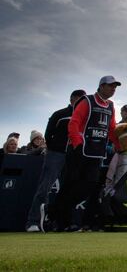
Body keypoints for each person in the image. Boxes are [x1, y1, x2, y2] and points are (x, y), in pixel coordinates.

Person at [54, 76, 121, 231]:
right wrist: (77, 143)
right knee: (70, 184)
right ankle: (62, 221)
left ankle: (56, 211)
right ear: (101, 86)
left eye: (115, 87)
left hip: (96, 154)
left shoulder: (110, 106)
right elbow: (74, 122)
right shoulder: (87, 101)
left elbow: (111, 129)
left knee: (89, 185)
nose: (113, 89)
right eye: (111, 86)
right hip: (79, 151)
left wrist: (119, 145)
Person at [24, 89, 86, 232]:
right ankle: (32, 222)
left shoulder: (84, 118)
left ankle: (62, 223)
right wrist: (55, 150)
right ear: (72, 99)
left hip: (72, 157)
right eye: (80, 100)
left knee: (67, 191)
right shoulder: (60, 114)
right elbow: (48, 135)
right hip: (56, 155)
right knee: (44, 187)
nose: (83, 103)